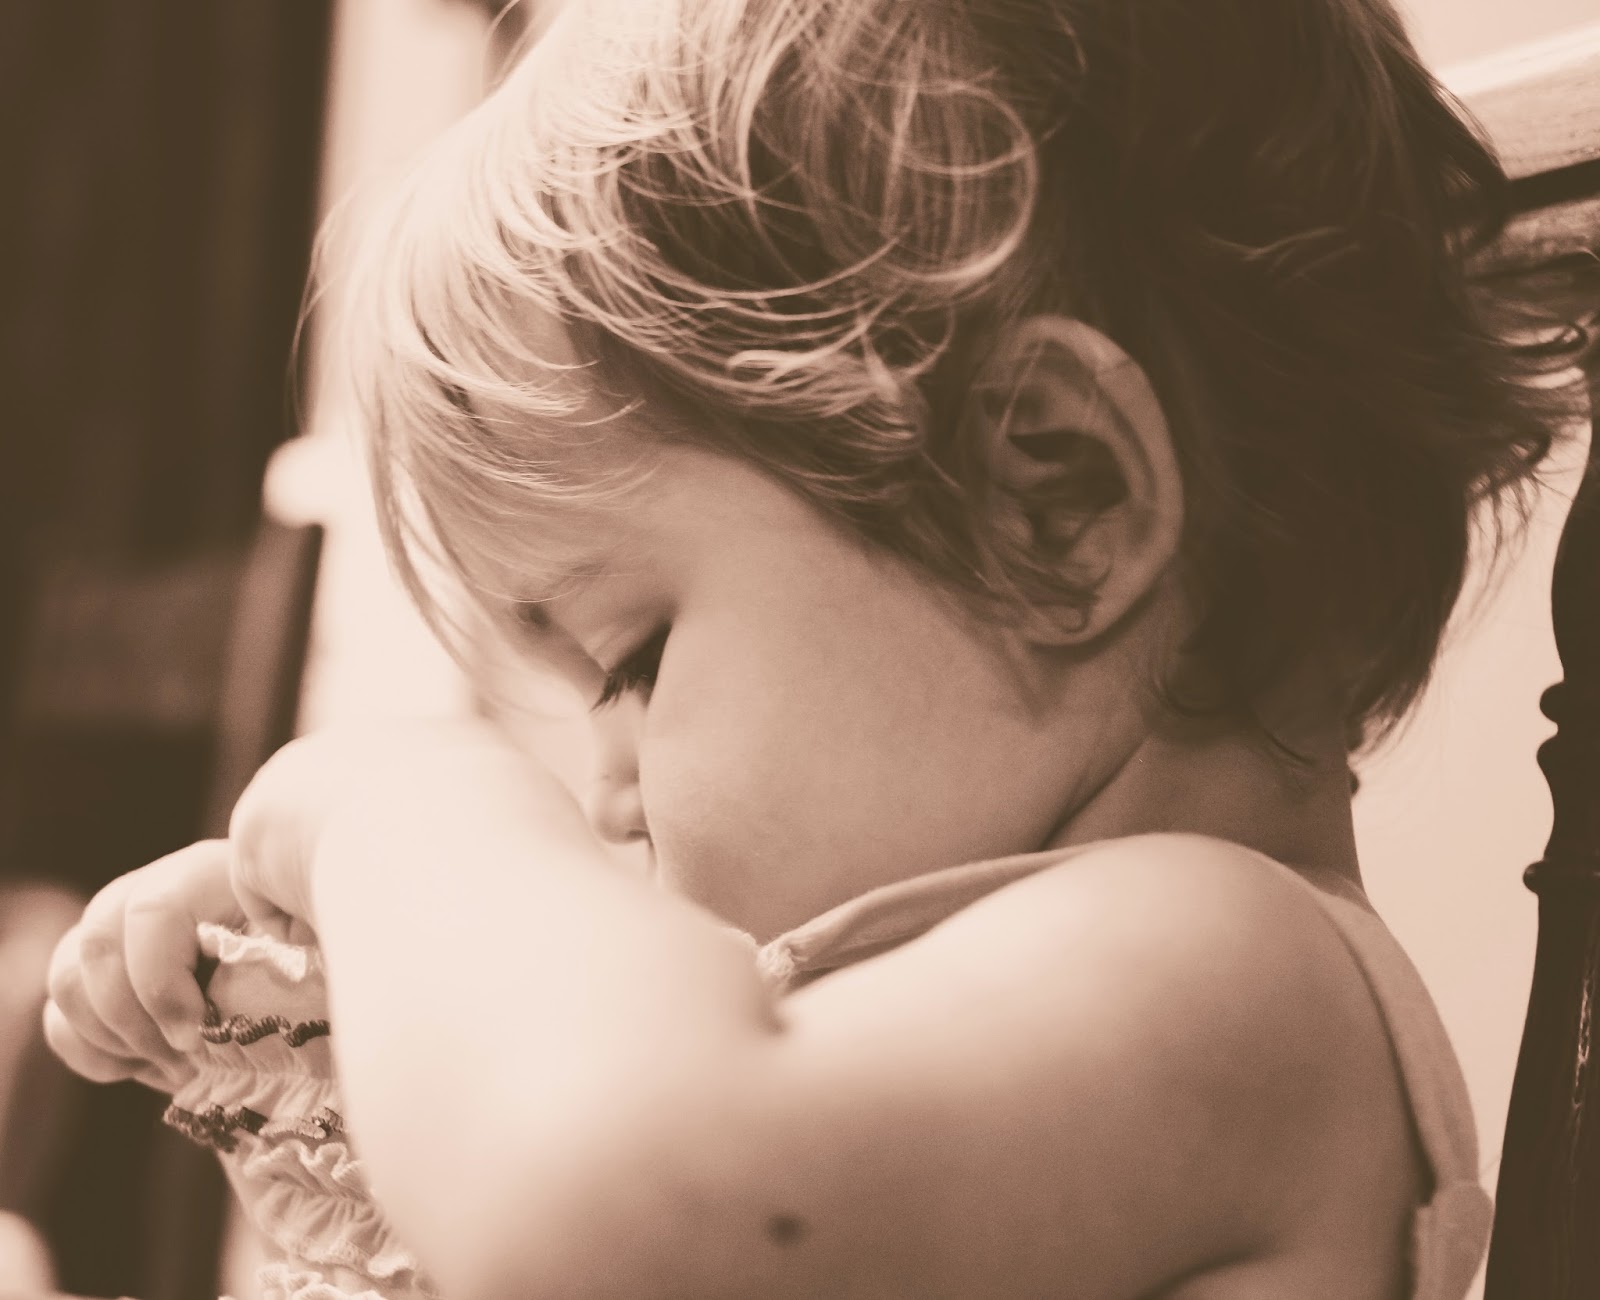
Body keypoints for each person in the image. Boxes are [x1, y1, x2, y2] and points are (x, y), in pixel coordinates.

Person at [38, 0, 1580, 1295]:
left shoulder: (1231, 975)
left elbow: (624, 1198)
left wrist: (398, 808)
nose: (608, 800)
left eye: (636, 660)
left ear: (1060, 505)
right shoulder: (925, 1030)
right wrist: (357, 1033)